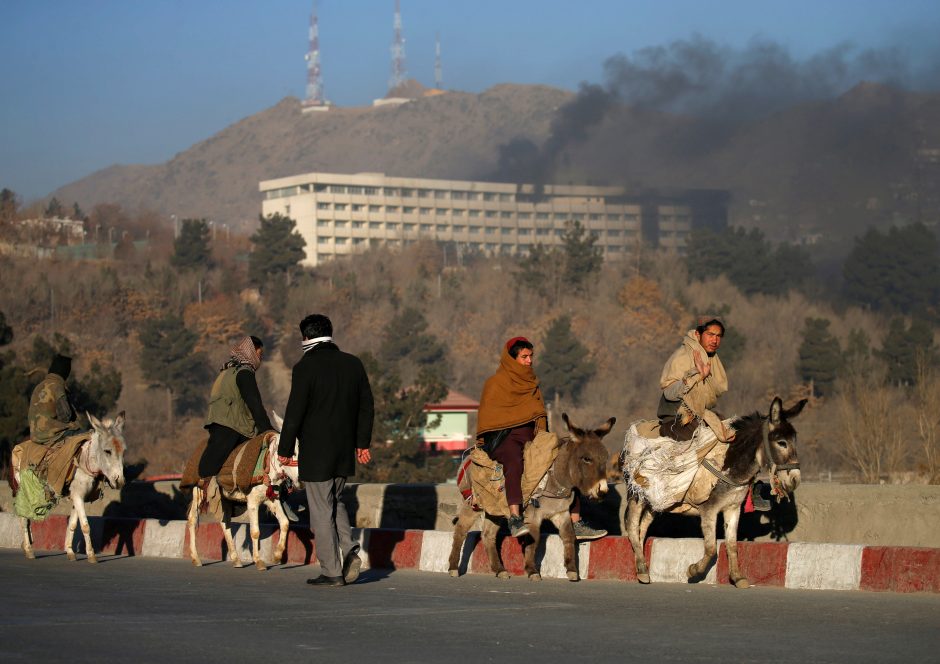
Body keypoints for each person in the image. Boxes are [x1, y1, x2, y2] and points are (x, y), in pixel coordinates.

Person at [277, 314, 374, 587]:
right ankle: (350, 550)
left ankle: (332, 571)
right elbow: (367, 406)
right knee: (335, 501)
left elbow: (295, 411)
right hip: (344, 450)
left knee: (320, 510)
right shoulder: (352, 364)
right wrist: (362, 443)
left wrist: (285, 448)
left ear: (306, 337)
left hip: (317, 451)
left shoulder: (305, 367)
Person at [477, 337, 606, 540]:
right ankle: (515, 518)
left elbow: (538, 415)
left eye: (531, 357)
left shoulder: (532, 383)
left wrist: (542, 438)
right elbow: (489, 419)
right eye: (524, 357)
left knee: (570, 455)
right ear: (512, 359)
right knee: (514, 461)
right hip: (503, 438)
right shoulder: (495, 384)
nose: (529, 361)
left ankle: (576, 522)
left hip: (532, 437)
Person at [657, 318, 770, 510]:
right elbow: (668, 391)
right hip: (676, 418)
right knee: (708, 442)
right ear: (699, 334)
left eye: (719, 336)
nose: (715, 340)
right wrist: (693, 376)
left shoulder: (712, 359)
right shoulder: (683, 356)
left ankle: (750, 488)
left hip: (703, 415)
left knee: (742, 437)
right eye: (710, 334)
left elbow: (711, 394)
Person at [200, 336, 275, 477]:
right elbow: (255, 405)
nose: (260, 359)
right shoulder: (244, 373)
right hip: (233, 425)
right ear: (252, 353)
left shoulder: (226, 371)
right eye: (260, 354)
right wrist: (268, 431)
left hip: (218, 421)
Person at [28, 354, 82, 445]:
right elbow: (66, 416)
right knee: (86, 435)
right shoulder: (57, 387)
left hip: (35, 435)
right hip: (51, 434)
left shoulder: (39, 386)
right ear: (66, 373)